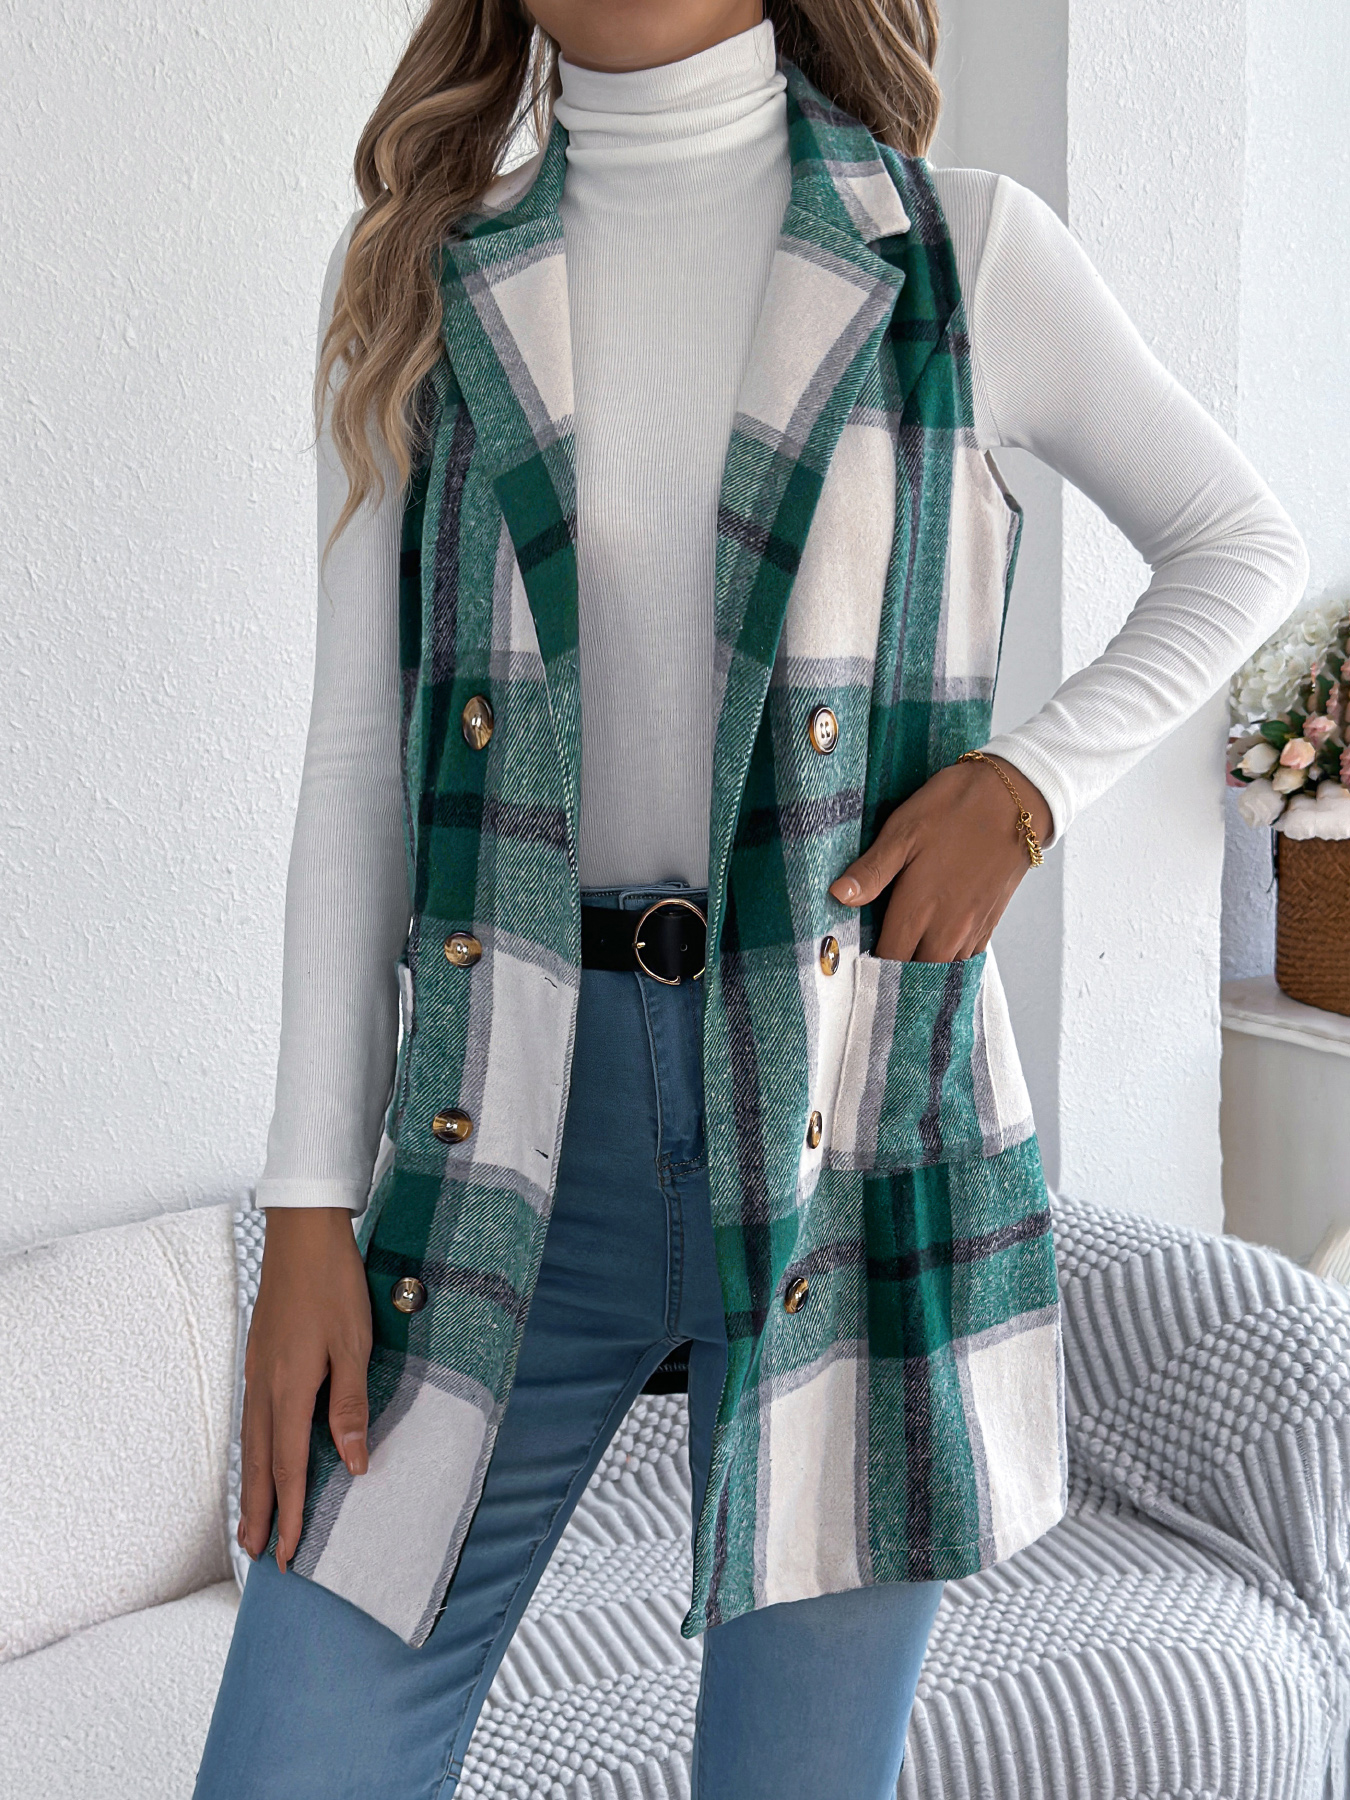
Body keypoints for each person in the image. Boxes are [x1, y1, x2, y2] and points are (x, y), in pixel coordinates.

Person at [194, 2, 1308, 1795]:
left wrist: (1027, 788)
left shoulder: (963, 252)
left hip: (851, 1146)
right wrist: (309, 1206)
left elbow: (1239, 542)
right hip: (502, 1131)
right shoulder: (422, 271)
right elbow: (353, 767)